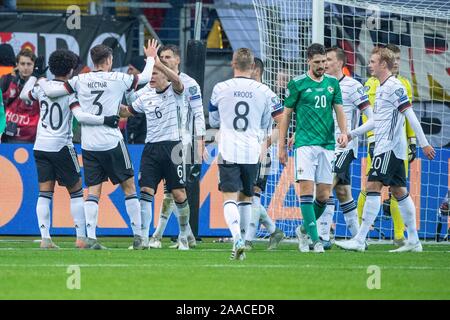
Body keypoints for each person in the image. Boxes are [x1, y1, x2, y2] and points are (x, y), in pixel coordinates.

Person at [38, 40, 159, 249]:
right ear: (109, 60)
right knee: (129, 187)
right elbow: (146, 78)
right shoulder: (119, 78)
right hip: (112, 141)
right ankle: (140, 237)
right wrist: (150, 57)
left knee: (92, 191)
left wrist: (39, 80)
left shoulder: (79, 79)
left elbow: (53, 91)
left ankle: (91, 237)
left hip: (89, 144)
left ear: (92, 61)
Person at [335, 47, 435, 252]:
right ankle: (414, 241)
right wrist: (352, 134)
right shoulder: (380, 87)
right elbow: (376, 121)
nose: (369, 64)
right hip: (387, 148)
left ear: (383, 64)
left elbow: (411, 117)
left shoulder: (394, 87)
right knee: (400, 192)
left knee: (372, 187)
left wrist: (423, 143)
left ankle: (360, 239)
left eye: (372, 61)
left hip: (388, 148)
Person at [20, 49, 120, 249]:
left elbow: (24, 95)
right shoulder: (69, 91)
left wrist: (36, 76)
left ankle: (46, 238)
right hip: (62, 146)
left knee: (44, 193)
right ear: (71, 70)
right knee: (75, 191)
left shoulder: (42, 86)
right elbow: (81, 117)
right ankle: (81, 238)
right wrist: (106, 119)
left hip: (40, 146)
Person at [278, 43, 348, 253]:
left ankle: (303, 230)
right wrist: (282, 145)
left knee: (324, 196)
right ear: (308, 60)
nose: (321, 65)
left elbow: (339, 111)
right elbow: (286, 115)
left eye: (324, 61)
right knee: (307, 191)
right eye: (317, 62)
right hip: (305, 145)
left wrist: (343, 132)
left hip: (327, 144)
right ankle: (316, 240)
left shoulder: (333, 83)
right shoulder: (297, 83)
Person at [209, 48, 278, 260]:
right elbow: (276, 120)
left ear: (233, 64)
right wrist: (266, 141)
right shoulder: (265, 92)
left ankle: (237, 237)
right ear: (253, 67)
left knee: (229, 197)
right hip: (253, 151)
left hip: (228, 148)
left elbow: (213, 121)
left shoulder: (220, 88)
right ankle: (244, 244)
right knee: (247, 197)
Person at [120, 56, 191, 250]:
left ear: (165, 76)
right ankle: (143, 239)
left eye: (155, 73)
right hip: (151, 149)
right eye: (150, 73)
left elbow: (177, 80)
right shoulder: (146, 95)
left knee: (178, 193)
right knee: (145, 191)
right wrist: (103, 101)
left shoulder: (176, 91)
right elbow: (127, 111)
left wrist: (158, 62)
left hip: (172, 148)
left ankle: (183, 236)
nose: (151, 77)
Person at [357, 44, 417, 246]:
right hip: (378, 142)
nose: (397, 62)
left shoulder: (401, 85)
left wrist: (414, 141)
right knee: (387, 188)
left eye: (399, 59)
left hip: (392, 144)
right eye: (395, 58)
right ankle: (411, 240)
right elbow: (371, 116)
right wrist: (362, 136)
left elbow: (408, 117)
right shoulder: (372, 84)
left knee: (386, 188)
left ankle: (396, 236)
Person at [148, 44, 206, 249]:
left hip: (185, 143)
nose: (165, 60)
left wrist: (200, 142)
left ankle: (160, 236)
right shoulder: (157, 81)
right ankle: (185, 236)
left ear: (178, 59)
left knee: (173, 192)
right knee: (170, 192)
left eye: (169, 57)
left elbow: (199, 114)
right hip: (164, 141)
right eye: (162, 57)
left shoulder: (189, 84)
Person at [315, 46, 373, 247]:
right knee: (342, 193)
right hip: (324, 146)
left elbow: (372, 119)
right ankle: (359, 239)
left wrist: (350, 135)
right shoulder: (322, 85)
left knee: (324, 186)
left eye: (328, 60)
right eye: (323, 60)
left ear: (339, 63)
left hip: (344, 148)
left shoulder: (353, 86)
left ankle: (321, 235)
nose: (324, 64)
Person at [243, 57, 285, 250]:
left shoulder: (268, 94)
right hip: (240, 150)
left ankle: (248, 240)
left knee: (254, 193)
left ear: (255, 69)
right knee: (243, 195)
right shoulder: (242, 92)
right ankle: (273, 230)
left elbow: (282, 122)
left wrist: (266, 143)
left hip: (260, 151)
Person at [0, 49, 40, 143]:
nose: (25, 67)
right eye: (22, 64)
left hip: (30, 140)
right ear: (17, 64)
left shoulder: (40, 84)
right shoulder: (6, 80)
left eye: (29, 64)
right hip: (6, 137)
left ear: (34, 66)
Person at [124, 55, 147, 144]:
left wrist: (132, 134)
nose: (128, 72)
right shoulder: (131, 88)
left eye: (131, 69)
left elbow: (137, 115)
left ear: (140, 71)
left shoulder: (144, 90)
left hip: (142, 139)